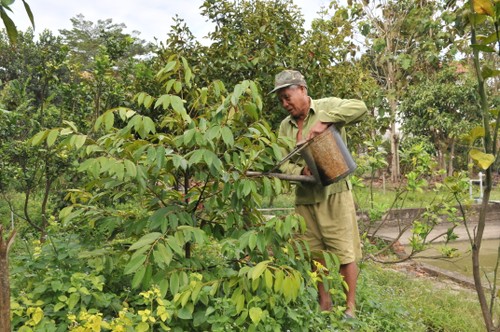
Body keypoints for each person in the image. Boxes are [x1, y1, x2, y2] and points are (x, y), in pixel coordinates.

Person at [271, 69, 367, 317]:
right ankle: (324, 304)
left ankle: (350, 309)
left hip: (335, 194)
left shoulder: (328, 106)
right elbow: (283, 162)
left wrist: (326, 120)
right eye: (281, 99)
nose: (285, 103)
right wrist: (299, 169)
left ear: (302, 89)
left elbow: (361, 108)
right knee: (314, 253)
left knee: (344, 252)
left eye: (287, 96)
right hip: (305, 199)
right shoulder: (285, 127)